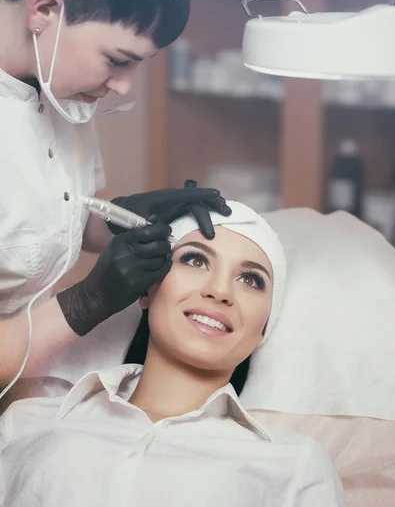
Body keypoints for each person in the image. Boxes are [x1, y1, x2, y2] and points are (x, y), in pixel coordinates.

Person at [0, 0, 231, 391]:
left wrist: (124, 217)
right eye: (117, 61)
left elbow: (50, 220)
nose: (124, 87)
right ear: (45, 11)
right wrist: (84, 304)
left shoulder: (58, 82)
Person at [0, 202, 346, 507]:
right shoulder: (26, 423)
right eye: (196, 259)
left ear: (264, 328)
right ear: (145, 290)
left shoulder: (296, 464)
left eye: (251, 280)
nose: (219, 291)